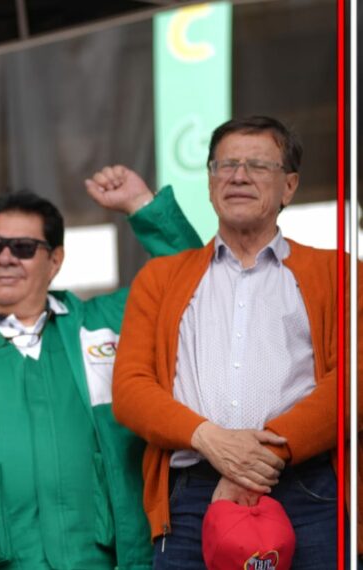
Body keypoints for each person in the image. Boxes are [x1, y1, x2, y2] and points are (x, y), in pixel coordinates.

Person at [0, 172, 202, 568]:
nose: (5, 257)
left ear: (55, 260)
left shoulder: (103, 326)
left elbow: (186, 278)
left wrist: (141, 206)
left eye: (24, 247)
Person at [112, 116, 338, 569]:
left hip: (306, 489)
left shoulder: (339, 272)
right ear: (211, 182)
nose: (238, 176)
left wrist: (258, 459)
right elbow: (131, 389)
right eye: (225, 165)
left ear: (289, 187)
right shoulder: (160, 278)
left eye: (258, 165)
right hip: (192, 494)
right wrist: (210, 440)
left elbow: (355, 378)